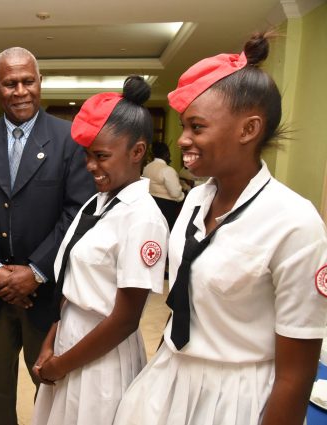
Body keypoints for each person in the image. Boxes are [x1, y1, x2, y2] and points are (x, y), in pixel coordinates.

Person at [114, 32, 327, 425]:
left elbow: (296, 375)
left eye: (197, 126)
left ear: (248, 130)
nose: (184, 141)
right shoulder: (196, 200)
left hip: (236, 397)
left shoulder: (294, 222)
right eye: (183, 126)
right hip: (172, 375)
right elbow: (186, 299)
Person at [0, 47, 94, 425]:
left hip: (46, 295)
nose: (20, 91)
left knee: (49, 392)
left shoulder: (69, 140)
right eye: (10, 83)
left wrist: (35, 271)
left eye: (27, 81)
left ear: (40, 83)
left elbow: (76, 213)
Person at [31, 76, 169, 425]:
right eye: (87, 155)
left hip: (101, 355)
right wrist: (50, 343)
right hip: (68, 339)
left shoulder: (143, 219)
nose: (90, 166)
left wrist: (60, 364)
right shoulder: (99, 201)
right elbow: (72, 284)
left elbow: (125, 320)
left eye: (102, 156)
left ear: (137, 152)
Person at [143, 141, 184, 229]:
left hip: (150, 204)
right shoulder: (167, 170)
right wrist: (183, 195)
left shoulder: (147, 168)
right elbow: (176, 194)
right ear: (166, 154)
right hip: (166, 208)